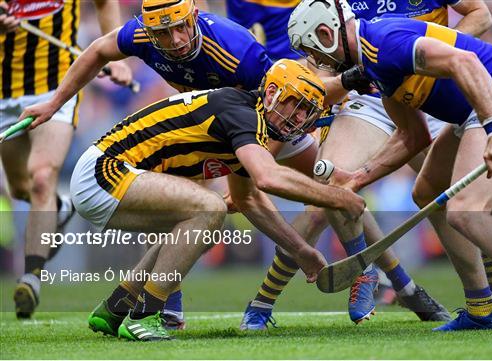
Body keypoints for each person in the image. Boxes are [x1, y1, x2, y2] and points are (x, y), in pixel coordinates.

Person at [19, 0, 318, 329]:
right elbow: (97, 51)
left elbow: (273, 112)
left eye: (180, 28)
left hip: (237, 127)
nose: (175, 40)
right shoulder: (140, 36)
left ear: (194, 16)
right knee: (203, 212)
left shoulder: (238, 51)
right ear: (149, 30)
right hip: (178, 139)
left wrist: (259, 164)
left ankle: (120, 306)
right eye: (163, 33)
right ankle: (153, 312)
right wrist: (53, 104)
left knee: (312, 172)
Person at [240, 0, 492, 330]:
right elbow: (326, 64)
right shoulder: (336, 19)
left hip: (437, 83)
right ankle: (268, 301)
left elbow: (478, 23)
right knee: (338, 188)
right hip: (373, 88)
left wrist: (426, 59)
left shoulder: (391, 43)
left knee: (475, 201)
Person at [65, 59, 365, 341]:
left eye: (306, 111)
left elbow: (248, 199)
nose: (300, 118)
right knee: (209, 208)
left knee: (199, 224)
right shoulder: (244, 114)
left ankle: (117, 307)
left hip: (104, 176)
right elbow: (268, 177)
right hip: (104, 172)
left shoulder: (249, 125)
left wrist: (300, 250)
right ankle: (145, 315)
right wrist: (337, 198)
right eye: (295, 104)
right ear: (271, 93)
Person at [0, 0, 133, 319]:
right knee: (20, 190)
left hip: (57, 86)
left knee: (42, 177)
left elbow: (104, 3)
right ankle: (58, 208)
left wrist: (112, 48)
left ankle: (32, 276)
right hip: (4, 91)